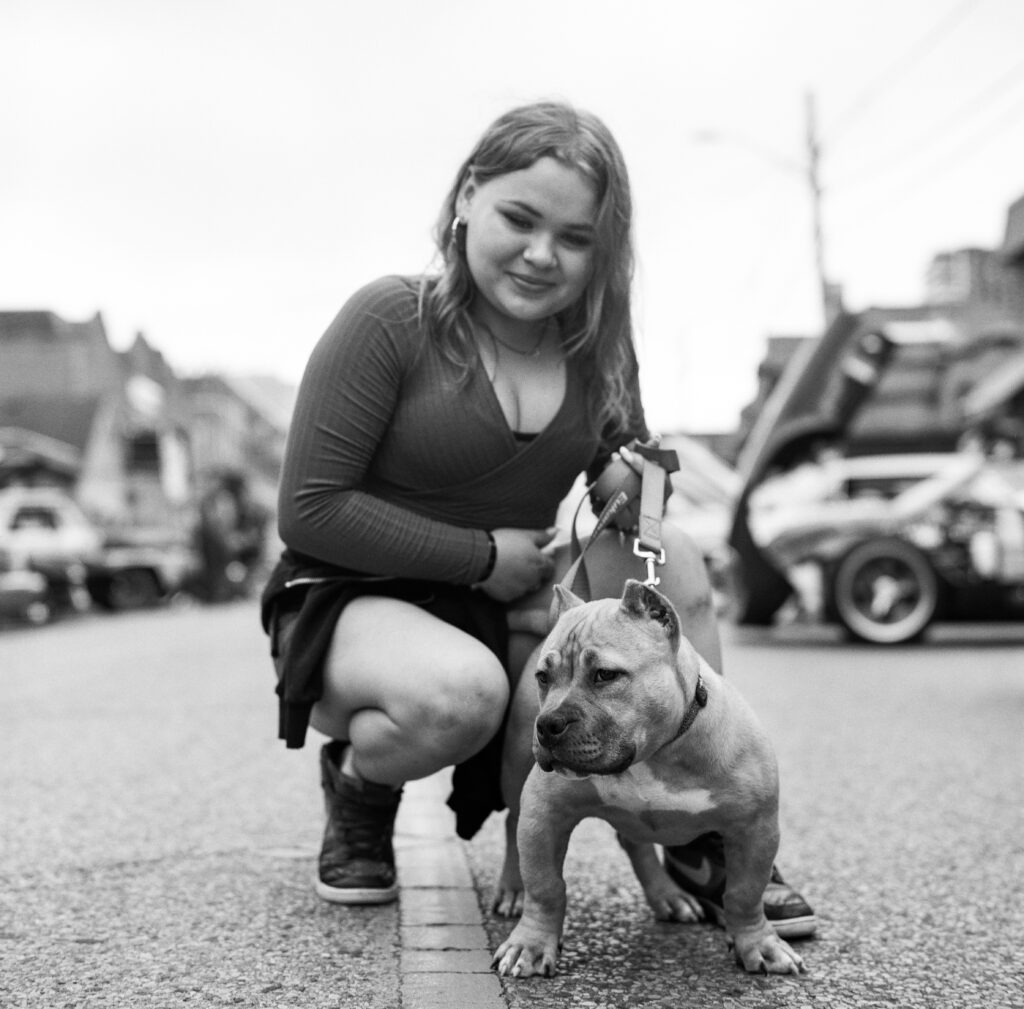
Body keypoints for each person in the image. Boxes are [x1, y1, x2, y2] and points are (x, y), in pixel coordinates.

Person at [259, 100, 816, 939]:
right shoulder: (388, 319)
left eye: (575, 237)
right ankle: (361, 783)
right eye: (519, 219)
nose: (542, 254)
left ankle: (703, 827)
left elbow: (636, 482)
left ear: (604, 251)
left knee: (678, 555)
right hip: (357, 599)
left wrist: (639, 482)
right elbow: (308, 509)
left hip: (509, 595)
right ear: (467, 197)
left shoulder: (599, 344)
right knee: (465, 693)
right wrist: (481, 557)